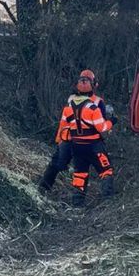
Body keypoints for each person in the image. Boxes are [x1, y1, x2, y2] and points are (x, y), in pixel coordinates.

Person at [39, 70, 115, 205]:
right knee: (103, 170)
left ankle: (45, 190)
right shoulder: (97, 103)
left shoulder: (70, 101)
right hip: (90, 142)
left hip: (71, 140)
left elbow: (63, 124)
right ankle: (108, 200)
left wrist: (59, 141)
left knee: (69, 168)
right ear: (94, 84)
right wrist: (111, 123)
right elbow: (101, 126)